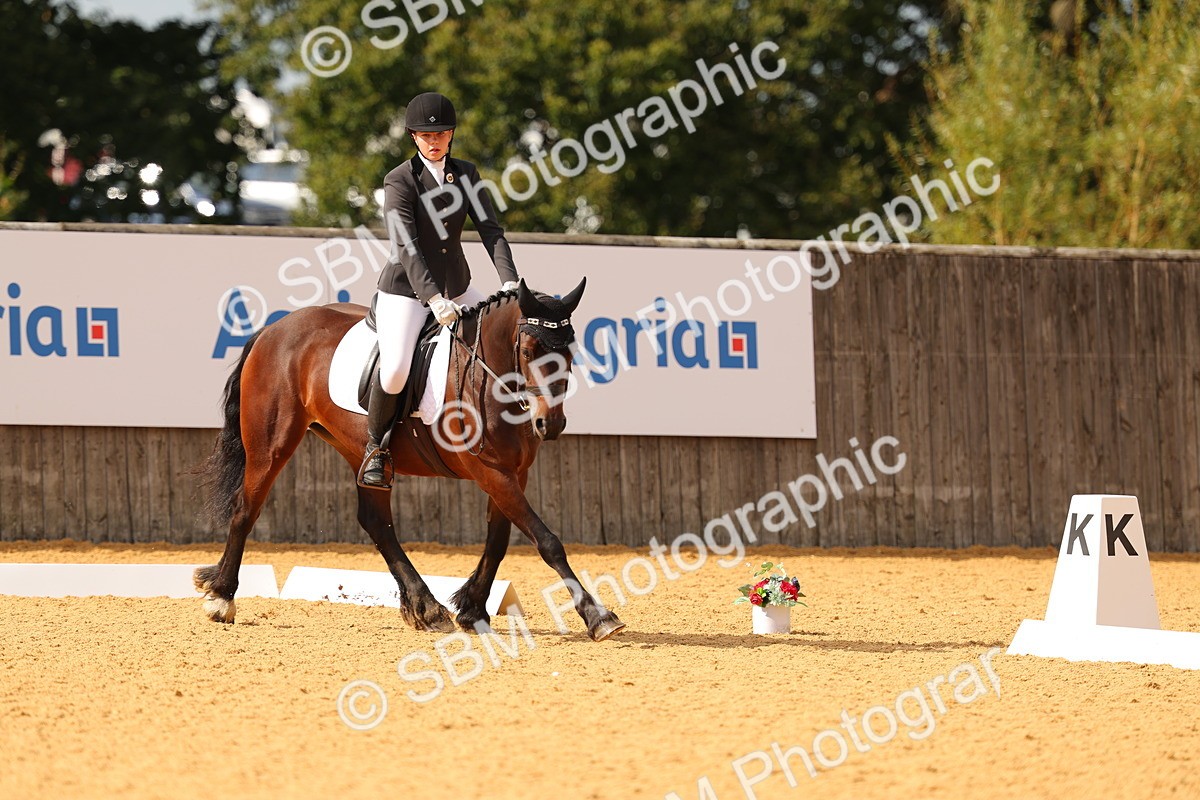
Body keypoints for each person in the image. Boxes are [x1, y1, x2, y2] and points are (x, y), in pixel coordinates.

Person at [360, 92, 521, 488]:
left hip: (458, 284)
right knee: (396, 368)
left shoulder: (466, 174)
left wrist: (510, 281)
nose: (434, 141)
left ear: (451, 135)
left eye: (442, 133)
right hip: (407, 290)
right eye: (425, 135)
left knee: (499, 341)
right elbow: (406, 245)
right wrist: (433, 298)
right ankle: (375, 450)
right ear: (413, 137)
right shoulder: (398, 180)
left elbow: (491, 231)